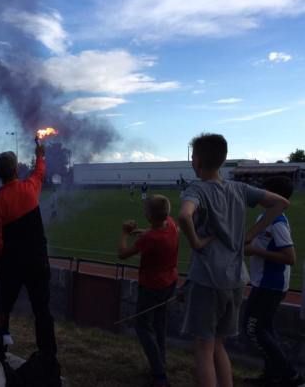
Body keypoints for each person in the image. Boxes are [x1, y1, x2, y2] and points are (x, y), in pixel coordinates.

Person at [178, 133, 289, 387]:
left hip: (208, 280)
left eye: (193, 156)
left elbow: (184, 216)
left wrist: (195, 242)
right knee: (218, 346)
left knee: (203, 349)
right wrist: (250, 234)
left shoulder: (196, 189)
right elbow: (280, 203)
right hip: (237, 279)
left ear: (197, 161)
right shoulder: (239, 189)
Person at [0, 144, 59, 377]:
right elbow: (39, 172)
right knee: (42, 310)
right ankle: (48, 355)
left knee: (2, 308)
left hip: (11, 266)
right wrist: (40, 153)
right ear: (16, 169)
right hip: (38, 262)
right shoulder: (30, 189)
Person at [243, 176, 304, 386]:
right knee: (265, 330)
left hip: (272, 285)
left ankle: (292, 376)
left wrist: (255, 250)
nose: (261, 194)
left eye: (265, 190)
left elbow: (290, 258)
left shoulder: (277, 223)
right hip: (264, 283)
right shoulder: (266, 217)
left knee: (252, 329)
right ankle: (272, 376)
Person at [118, 195, 179, 387]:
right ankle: (160, 363)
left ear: (150, 217)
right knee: (160, 325)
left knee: (143, 328)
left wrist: (125, 233)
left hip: (152, 287)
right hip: (170, 283)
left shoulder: (151, 239)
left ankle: (159, 375)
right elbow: (160, 231)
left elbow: (122, 254)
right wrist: (144, 231)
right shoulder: (170, 223)